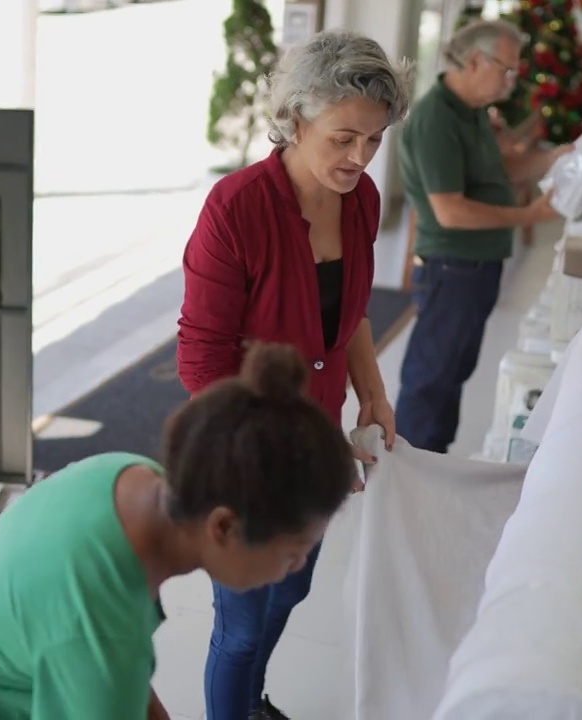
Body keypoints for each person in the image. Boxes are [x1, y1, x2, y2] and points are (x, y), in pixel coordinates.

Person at [0, 344, 358, 720]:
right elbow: (104, 653)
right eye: (294, 551)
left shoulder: (132, 479)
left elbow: (120, 676)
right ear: (223, 526)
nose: (297, 566)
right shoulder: (98, 615)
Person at [176, 30, 412, 720]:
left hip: (319, 442)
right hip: (244, 453)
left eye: (373, 140)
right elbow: (201, 362)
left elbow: (349, 311)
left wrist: (371, 393)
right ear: (298, 117)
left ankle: (250, 701)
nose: (360, 157)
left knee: (293, 590)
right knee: (242, 624)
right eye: (343, 138)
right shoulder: (237, 208)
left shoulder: (361, 201)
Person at [394, 20, 571, 455]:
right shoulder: (436, 118)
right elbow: (449, 210)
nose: (511, 81)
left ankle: (432, 462)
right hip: (452, 266)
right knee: (431, 378)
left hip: (475, 266)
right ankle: (409, 470)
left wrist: (552, 159)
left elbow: (497, 172)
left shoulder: (469, 110)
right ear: (474, 61)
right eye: (505, 69)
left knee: (453, 372)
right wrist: (527, 214)